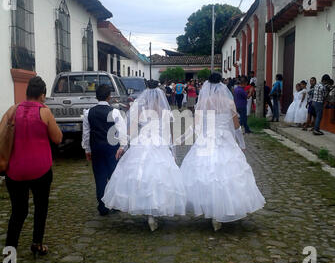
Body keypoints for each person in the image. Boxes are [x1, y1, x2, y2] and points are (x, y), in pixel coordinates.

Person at [180, 72, 265, 231]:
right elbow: (236, 126)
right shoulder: (229, 102)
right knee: (226, 174)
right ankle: (221, 211)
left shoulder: (204, 101)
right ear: (222, 84)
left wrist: (184, 138)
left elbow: (197, 126)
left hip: (207, 139)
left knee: (207, 174)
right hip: (225, 139)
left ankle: (212, 211)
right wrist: (242, 143)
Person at [3, 76, 63, 263]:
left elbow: (1, 136)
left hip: (15, 171)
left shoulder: (12, 110)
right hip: (40, 169)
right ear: (42, 95)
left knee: (17, 215)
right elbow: (57, 138)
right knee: (40, 208)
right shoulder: (44, 112)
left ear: (27, 92)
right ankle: (37, 244)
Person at [103, 86, 187, 231]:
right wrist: (172, 152)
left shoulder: (141, 110)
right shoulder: (165, 112)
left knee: (142, 176)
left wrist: (123, 146)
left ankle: (148, 210)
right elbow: (169, 134)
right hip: (159, 143)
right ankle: (153, 213)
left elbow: (131, 131)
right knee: (158, 177)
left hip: (142, 142)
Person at [82, 85, 127, 216]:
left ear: (96, 97)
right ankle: (115, 203)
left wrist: (87, 149)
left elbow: (86, 133)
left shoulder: (88, 113)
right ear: (109, 97)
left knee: (100, 177)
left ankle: (102, 206)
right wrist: (122, 147)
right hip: (111, 148)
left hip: (96, 147)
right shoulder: (115, 112)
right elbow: (122, 131)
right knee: (114, 175)